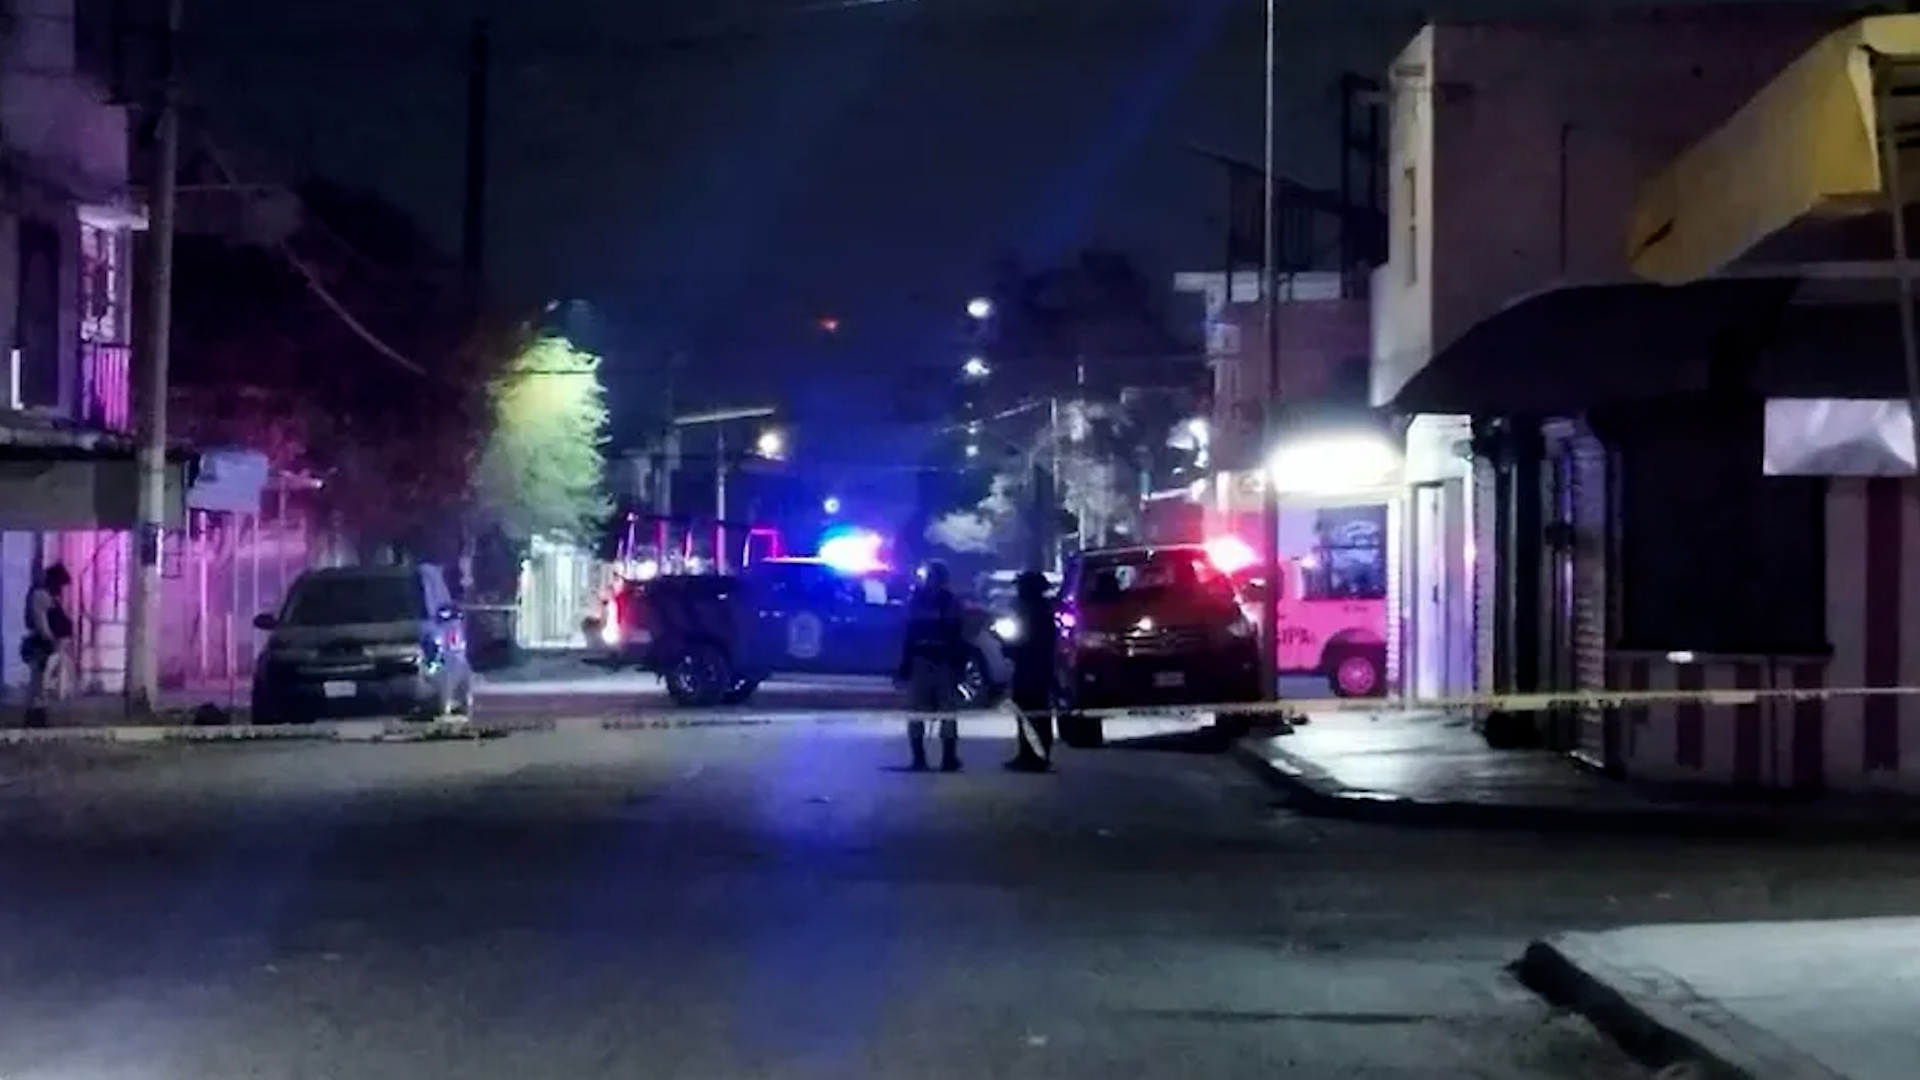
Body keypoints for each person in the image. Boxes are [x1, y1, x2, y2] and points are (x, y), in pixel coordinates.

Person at [897, 559, 966, 772]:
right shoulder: (949, 602)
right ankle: (944, 758)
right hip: (935, 662)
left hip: (930, 661)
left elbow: (910, 634)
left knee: (926, 712)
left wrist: (905, 664)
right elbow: (956, 635)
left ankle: (929, 758)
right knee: (942, 712)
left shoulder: (921, 600)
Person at [1005, 570, 1056, 772]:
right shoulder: (1032, 611)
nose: (1017, 591)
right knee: (1026, 712)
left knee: (1036, 713)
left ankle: (1037, 756)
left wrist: (1011, 648)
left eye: (1021, 586)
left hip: (1034, 669)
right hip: (1028, 668)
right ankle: (1027, 754)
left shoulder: (1037, 612)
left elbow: (1032, 642)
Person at [20, 562, 73, 727]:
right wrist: (51, 639)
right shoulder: (41, 595)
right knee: (39, 682)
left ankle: (38, 715)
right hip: (41, 644)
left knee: (43, 682)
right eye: (60, 584)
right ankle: (35, 718)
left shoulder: (45, 595)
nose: (61, 589)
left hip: (47, 644)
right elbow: (41, 623)